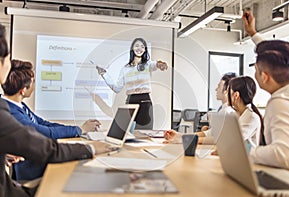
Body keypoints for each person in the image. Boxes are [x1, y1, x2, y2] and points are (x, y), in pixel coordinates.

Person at [0, 23, 111, 197]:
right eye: (7, 58)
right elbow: (44, 136)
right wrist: (87, 143)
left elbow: (43, 123)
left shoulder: (17, 107)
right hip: (25, 175)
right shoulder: (7, 111)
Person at [1, 59, 103, 181]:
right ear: (23, 90)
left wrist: (77, 130)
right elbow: (43, 132)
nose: (34, 85)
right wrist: (80, 129)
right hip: (33, 171)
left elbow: (44, 124)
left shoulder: (19, 105)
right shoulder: (10, 111)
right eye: (33, 82)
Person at [243, 10, 289, 170]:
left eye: (255, 70)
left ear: (265, 77)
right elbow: (280, 58)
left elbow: (286, 156)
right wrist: (253, 34)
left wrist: (247, 152)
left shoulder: (281, 103)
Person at [96, 37, 168, 129]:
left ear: (145, 50)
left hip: (145, 102)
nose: (139, 48)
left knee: (144, 133)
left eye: (142, 46)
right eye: (137, 46)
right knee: (128, 132)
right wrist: (104, 74)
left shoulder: (147, 64)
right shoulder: (125, 68)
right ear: (132, 48)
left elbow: (157, 64)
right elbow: (117, 88)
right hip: (130, 101)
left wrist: (161, 64)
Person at [164, 72, 236, 144]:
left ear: (226, 92)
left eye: (219, 86)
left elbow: (218, 139)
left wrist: (183, 140)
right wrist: (179, 136)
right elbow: (209, 133)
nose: (216, 89)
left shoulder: (228, 112)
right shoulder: (223, 110)